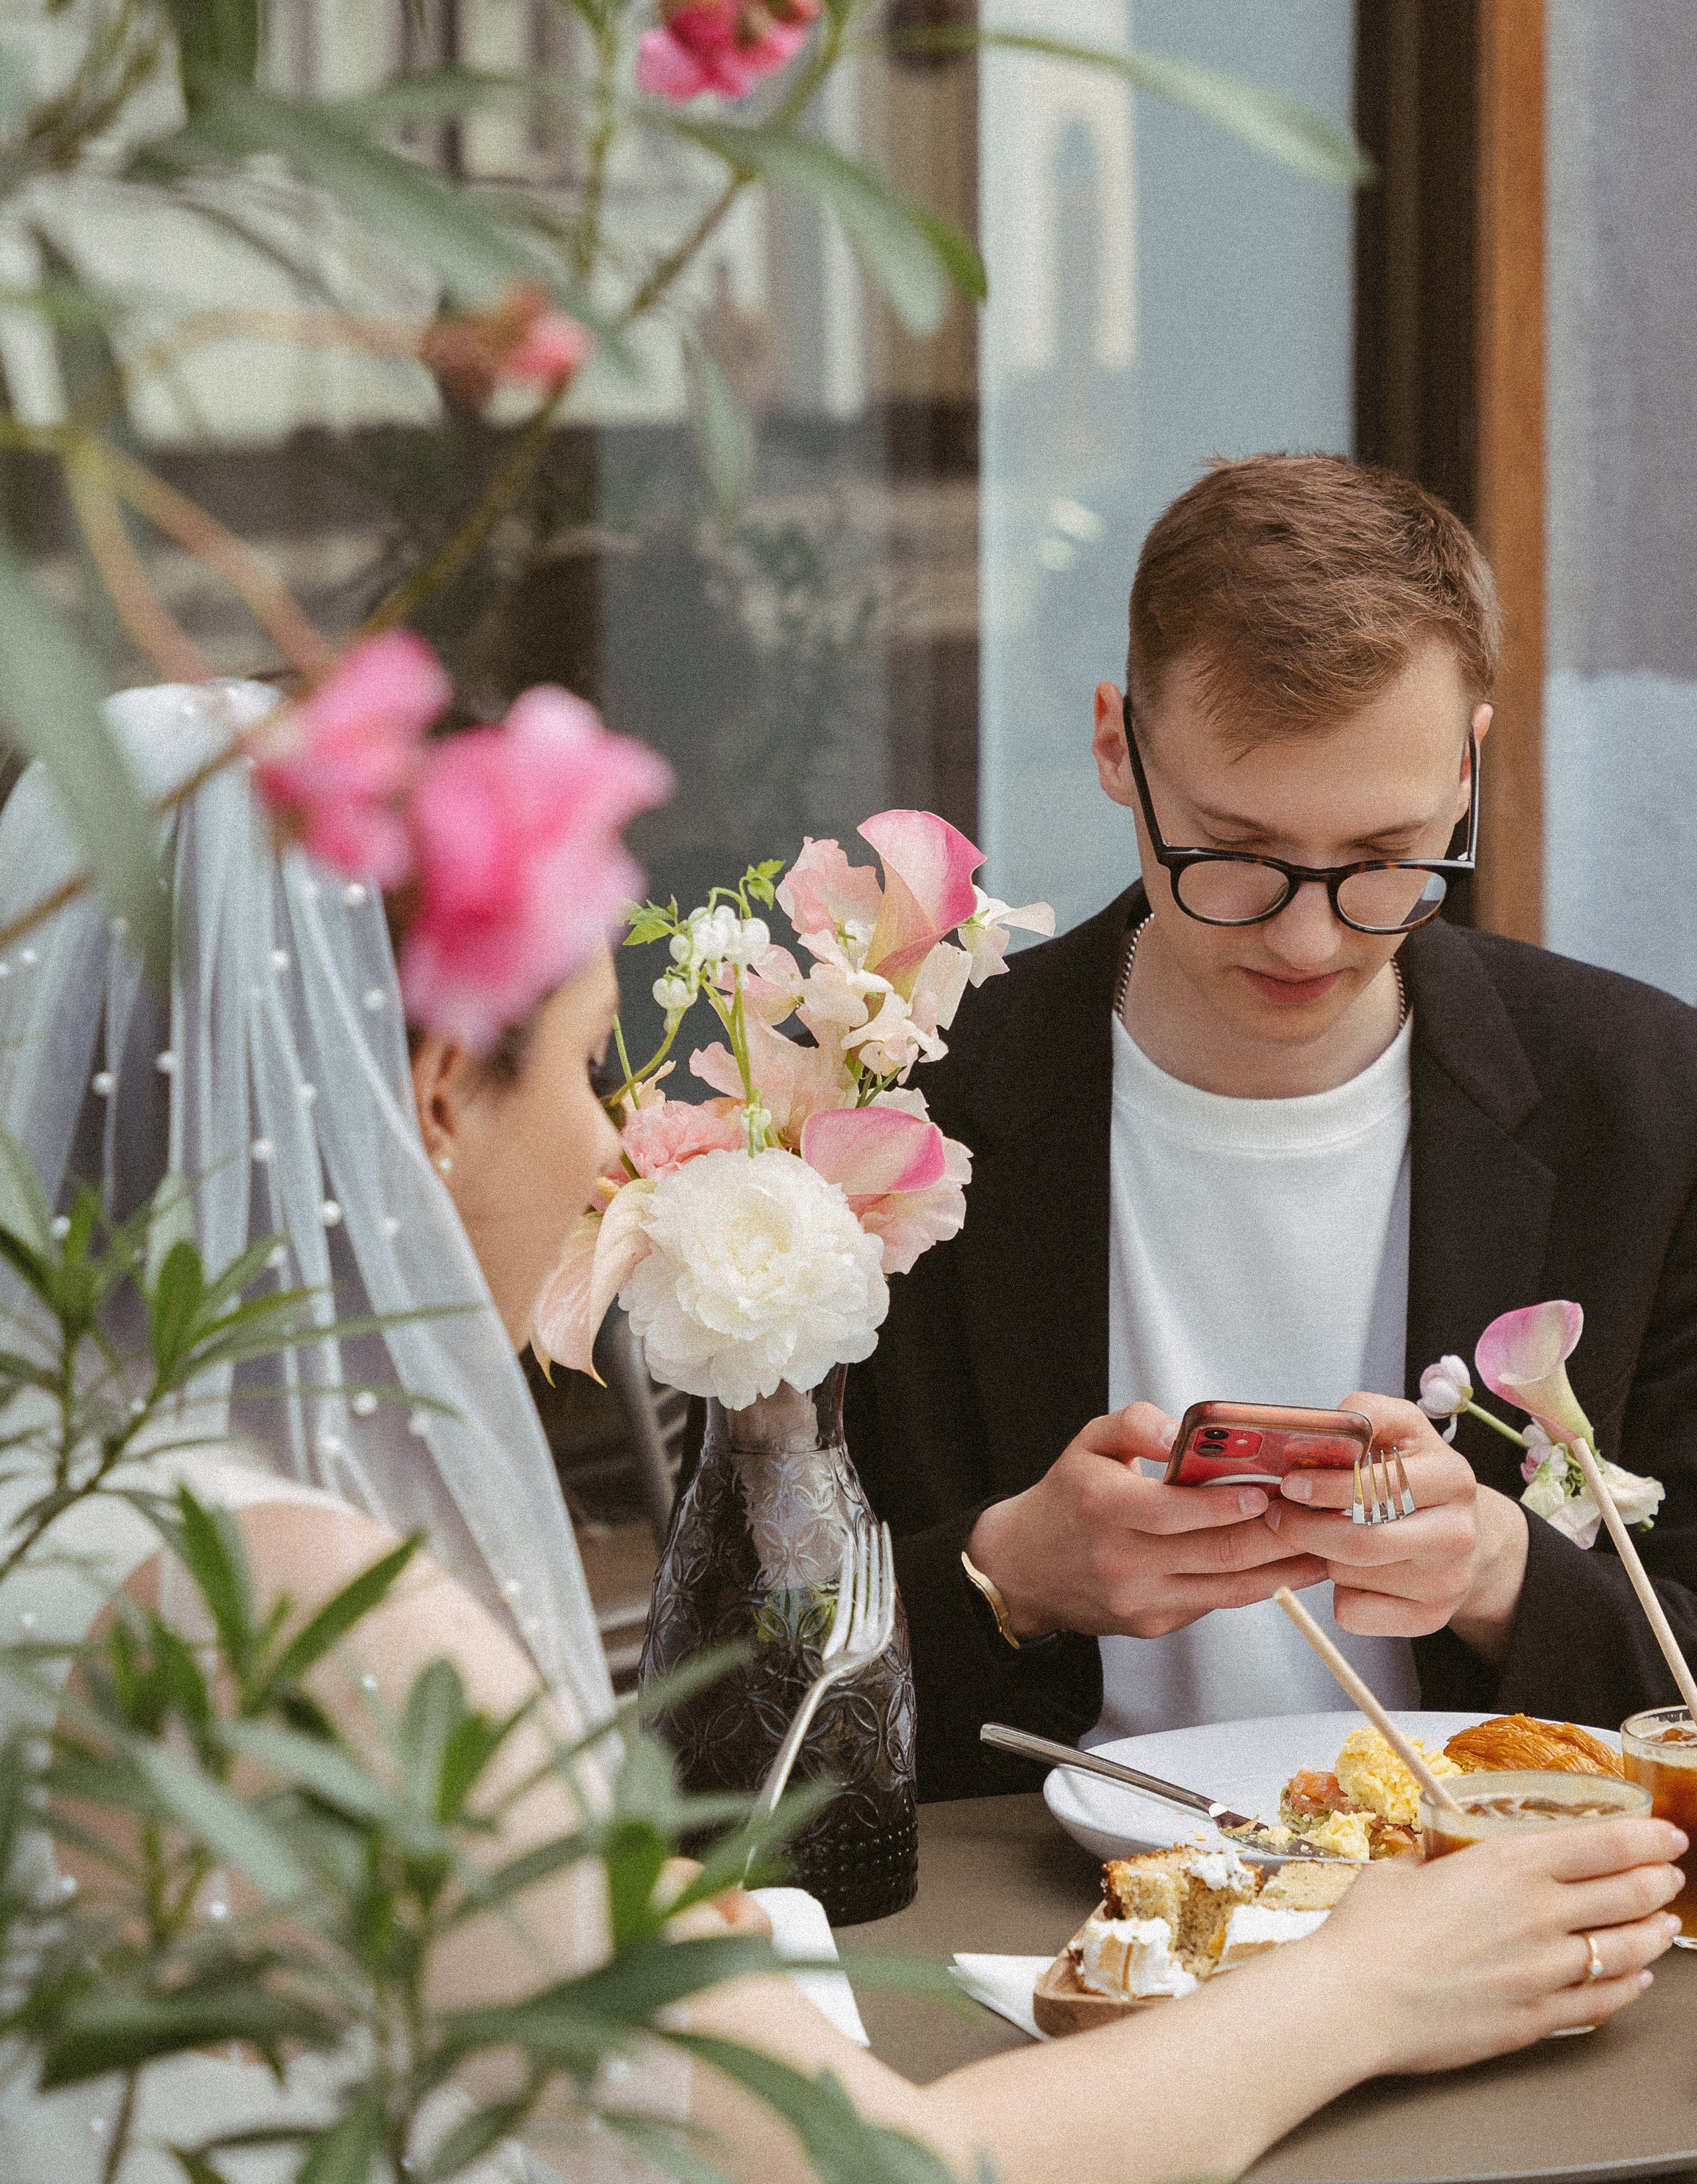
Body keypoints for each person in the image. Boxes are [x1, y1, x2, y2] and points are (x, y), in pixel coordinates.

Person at [0, 677, 1684, 2184]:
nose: (608, 1149)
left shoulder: (69, 1505)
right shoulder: (319, 1610)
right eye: (589, 1071)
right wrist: (1374, 1984)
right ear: (439, 1089)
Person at [846, 454, 1697, 1800]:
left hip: (1512, 1912)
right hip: (1024, 1936)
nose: (1307, 935)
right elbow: (710, 1722)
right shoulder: (901, 1107)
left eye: (1380, 858)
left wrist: (1500, 1571)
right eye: (1231, 849)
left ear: (1468, 767)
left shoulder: (1646, 1106)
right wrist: (1000, 1579)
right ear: (1115, 746)